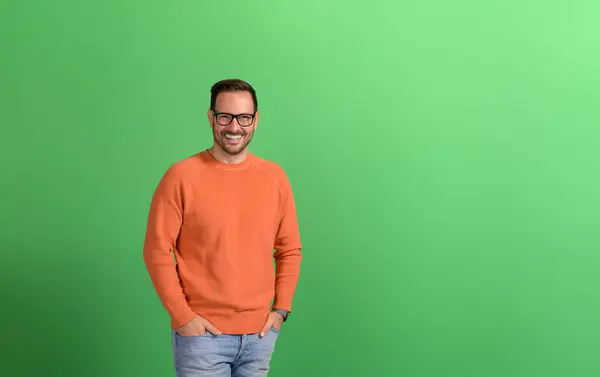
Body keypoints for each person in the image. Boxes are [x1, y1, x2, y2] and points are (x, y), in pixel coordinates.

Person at [142, 79, 303, 377]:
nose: (234, 127)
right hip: (202, 338)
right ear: (210, 117)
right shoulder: (181, 176)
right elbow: (156, 251)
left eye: (244, 118)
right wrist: (183, 317)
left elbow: (289, 249)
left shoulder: (274, 177)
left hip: (259, 337)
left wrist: (280, 310)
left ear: (255, 120)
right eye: (224, 116)